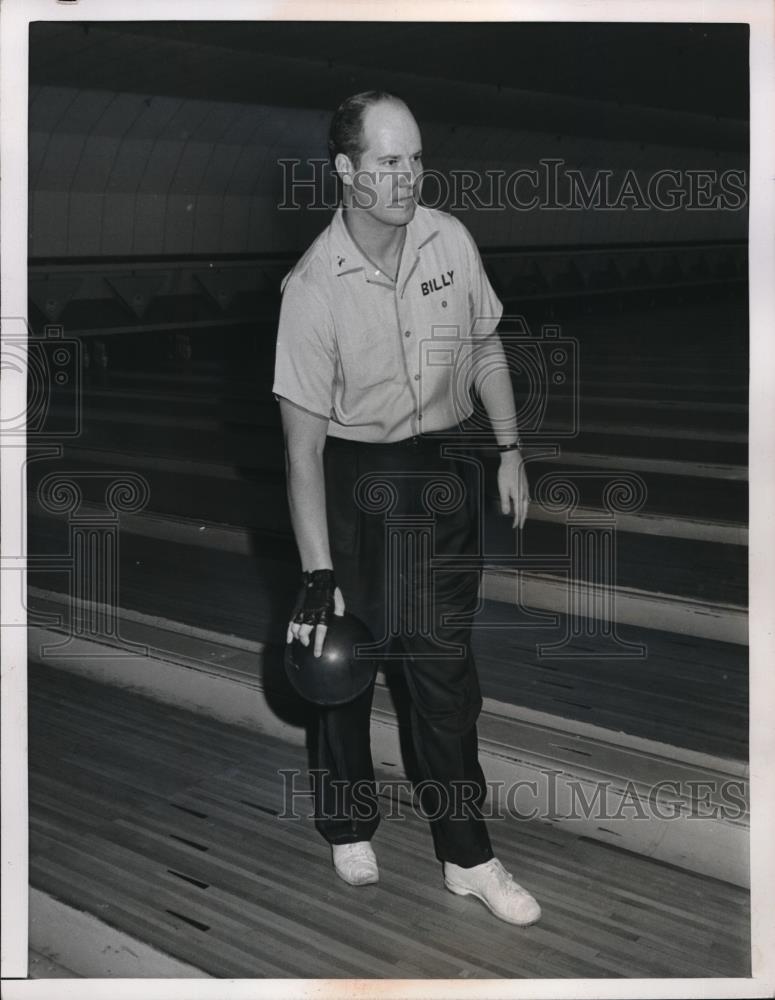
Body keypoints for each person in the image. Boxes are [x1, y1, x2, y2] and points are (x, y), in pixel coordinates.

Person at [272, 91, 540, 927]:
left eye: (415, 157)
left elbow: (484, 343)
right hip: (356, 484)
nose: (407, 176)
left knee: (443, 673)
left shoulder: (448, 237)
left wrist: (508, 447)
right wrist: (319, 574)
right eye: (389, 161)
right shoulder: (312, 288)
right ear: (346, 172)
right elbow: (302, 450)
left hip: (444, 474)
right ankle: (348, 821)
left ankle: (468, 855)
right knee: (344, 669)